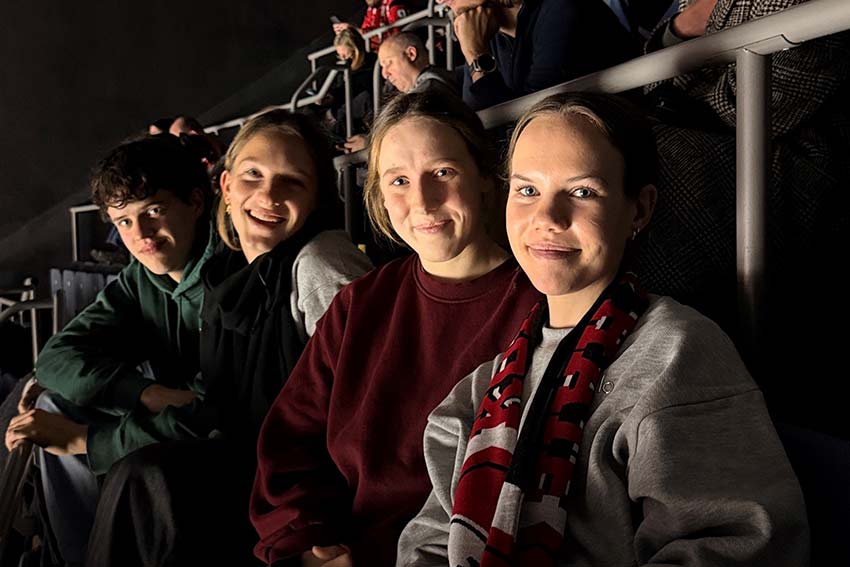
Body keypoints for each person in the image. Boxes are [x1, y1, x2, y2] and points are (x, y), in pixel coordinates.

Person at [397, 92, 808, 566]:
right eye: (527, 190)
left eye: (582, 192)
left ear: (639, 209)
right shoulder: (485, 383)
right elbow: (429, 540)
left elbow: (740, 548)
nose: (547, 218)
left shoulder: (679, 354)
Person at [250, 92, 542, 567]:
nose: (422, 202)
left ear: (487, 181)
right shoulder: (359, 303)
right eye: (400, 181)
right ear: (381, 197)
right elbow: (290, 441)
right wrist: (307, 541)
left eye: (443, 173)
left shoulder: (539, 305)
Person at [84, 109, 373, 567]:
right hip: (257, 469)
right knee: (141, 478)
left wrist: (329, 532)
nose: (267, 195)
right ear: (226, 187)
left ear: (317, 196)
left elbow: (372, 413)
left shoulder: (320, 263)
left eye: (292, 181)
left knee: (148, 477)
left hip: (307, 494)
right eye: (252, 175)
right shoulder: (232, 268)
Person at [637, 0, 850, 436]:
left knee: (622, 194)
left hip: (814, 165)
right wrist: (683, 28)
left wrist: (697, 26)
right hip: (727, 142)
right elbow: (655, 70)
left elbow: (769, 88)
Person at [4, 135, 216, 565]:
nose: (141, 236)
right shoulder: (143, 278)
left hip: (226, 451)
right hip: (178, 420)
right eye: (123, 222)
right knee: (47, 400)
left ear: (196, 202)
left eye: (153, 212)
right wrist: (144, 393)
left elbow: (218, 415)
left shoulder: (233, 273)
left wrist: (87, 441)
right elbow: (55, 357)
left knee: (65, 421)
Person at [437, 0, 637, 110]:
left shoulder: (561, 6)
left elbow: (533, 116)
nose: (439, 0)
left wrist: (475, 53)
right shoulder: (482, 32)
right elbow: (478, 121)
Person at [343, 32, 458, 154]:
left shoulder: (429, 89)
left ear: (411, 54)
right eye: (382, 67)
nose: (385, 74)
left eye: (389, 63)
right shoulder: (435, 81)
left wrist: (369, 143)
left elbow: (411, 139)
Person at [333, 0, 412, 51]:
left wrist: (358, 31)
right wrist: (349, 32)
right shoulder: (372, 8)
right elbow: (365, 31)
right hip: (378, 55)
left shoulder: (394, 4)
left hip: (398, 53)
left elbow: (398, 37)